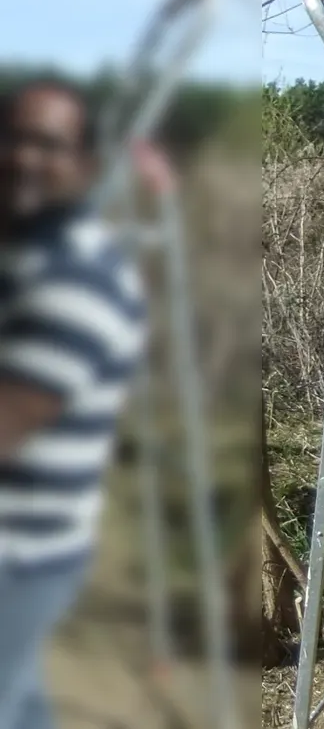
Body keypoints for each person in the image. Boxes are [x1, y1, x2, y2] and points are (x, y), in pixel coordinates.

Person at [0, 78, 148, 729]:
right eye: (15, 139)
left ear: (85, 166)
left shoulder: (81, 275)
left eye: (48, 145)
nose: (24, 157)